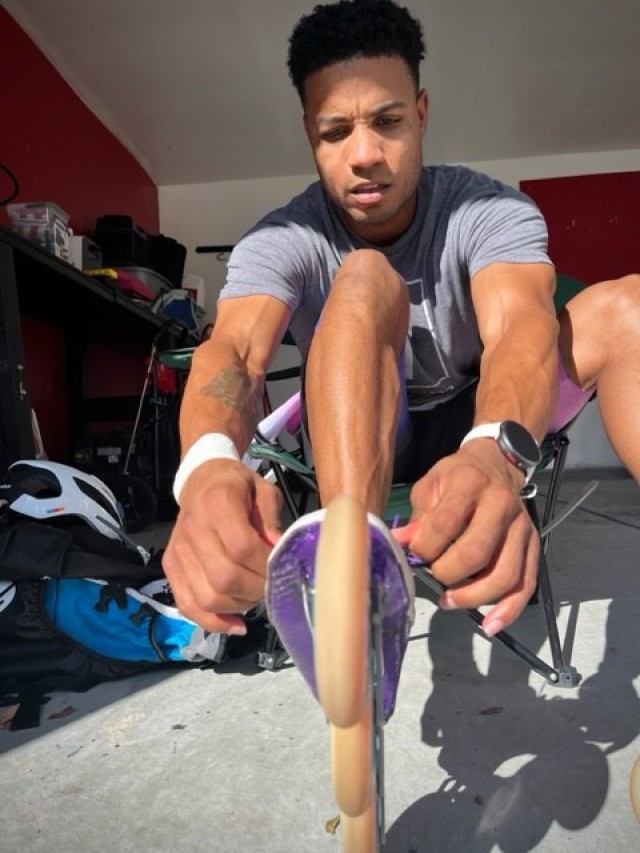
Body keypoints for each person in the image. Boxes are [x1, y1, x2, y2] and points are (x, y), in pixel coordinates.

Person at [162, 0, 640, 640]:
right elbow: (237, 355)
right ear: (310, 133)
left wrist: (495, 455)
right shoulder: (282, 237)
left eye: (386, 122)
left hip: (481, 415)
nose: (365, 155)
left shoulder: (486, 208)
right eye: (336, 133)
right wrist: (207, 468)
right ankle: (350, 571)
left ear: (420, 113)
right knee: (362, 275)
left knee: (629, 306)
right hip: (359, 430)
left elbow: (520, 331)